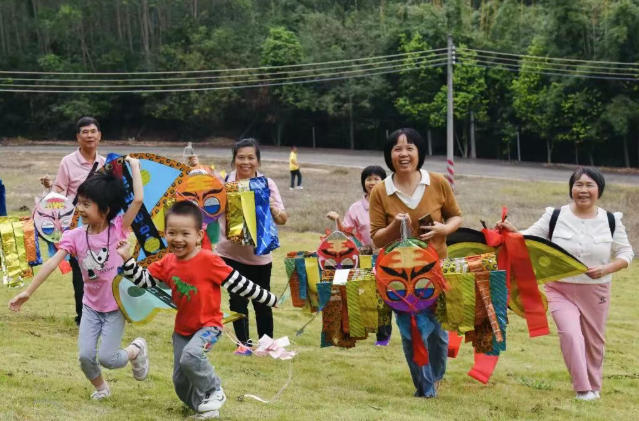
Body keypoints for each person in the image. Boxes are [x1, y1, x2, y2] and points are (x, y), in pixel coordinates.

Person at [118, 201, 278, 419]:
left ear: (199, 235)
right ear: (165, 234)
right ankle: (205, 409)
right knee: (180, 382)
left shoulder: (209, 260)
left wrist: (269, 299)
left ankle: (215, 390)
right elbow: (144, 281)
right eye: (172, 233)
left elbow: (239, 283)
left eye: (185, 233)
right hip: (182, 330)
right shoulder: (167, 262)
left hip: (209, 327)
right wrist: (127, 259)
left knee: (191, 357)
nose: (178, 239)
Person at [9, 157, 149, 400]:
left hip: (115, 307)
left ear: (105, 209)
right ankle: (101, 388)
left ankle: (135, 350)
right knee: (85, 356)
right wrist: (28, 292)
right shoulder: (74, 236)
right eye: (79, 203)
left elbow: (137, 200)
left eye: (86, 204)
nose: (80, 208)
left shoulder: (118, 229)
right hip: (91, 307)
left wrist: (135, 167)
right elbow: (52, 263)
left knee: (108, 358)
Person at [497, 167, 633, 401]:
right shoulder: (555, 215)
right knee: (570, 334)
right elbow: (528, 237)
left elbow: (626, 252)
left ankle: (594, 385)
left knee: (594, 341)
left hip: (596, 290)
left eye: (589, 185)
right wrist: (511, 231)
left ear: (599, 190)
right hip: (559, 288)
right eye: (578, 185)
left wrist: (607, 269)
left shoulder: (611, 220)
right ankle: (583, 389)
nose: (583, 190)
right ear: (571, 189)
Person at [369, 128, 462, 398]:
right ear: (389, 155)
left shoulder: (437, 182)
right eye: (397, 149)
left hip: (435, 272)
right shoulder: (380, 191)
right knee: (411, 331)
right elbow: (376, 238)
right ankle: (424, 387)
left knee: (437, 333)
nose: (404, 154)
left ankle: (435, 376)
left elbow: (456, 216)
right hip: (398, 276)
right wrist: (394, 228)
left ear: (419, 152)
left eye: (410, 148)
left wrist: (444, 229)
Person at [216, 138, 287, 355]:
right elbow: (210, 210)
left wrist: (274, 210)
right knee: (237, 301)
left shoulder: (267, 184)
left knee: (262, 302)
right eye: (241, 157)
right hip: (229, 254)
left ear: (258, 161)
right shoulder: (225, 182)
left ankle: (267, 345)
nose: (245, 162)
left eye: (250, 157)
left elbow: (283, 219)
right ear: (234, 160)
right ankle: (243, 344)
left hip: (259, 257)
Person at [42, 116, 106, 325]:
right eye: (84, 132)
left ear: (99, 136)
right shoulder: (68, 162)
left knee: (102, 269)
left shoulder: (106, 163)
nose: (89, 136)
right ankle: (83, 316)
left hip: (100, 226)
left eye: (93, 131)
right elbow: (58, 194)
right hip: (76, 225)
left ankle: (103, 312)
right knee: (80, 271)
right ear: (78, 137)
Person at [326, 165, 391, 346]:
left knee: (383, 296)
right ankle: (360, 330)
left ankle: (383, 336)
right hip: (364, 258)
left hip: (387, 256)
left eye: (377, 178)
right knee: (363, 294)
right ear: (363, 182)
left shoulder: (391, 204)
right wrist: (337, 219)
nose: (372, 182)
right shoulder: (356, 208)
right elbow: (347, 233)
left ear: (385, 182)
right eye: (368, 179)